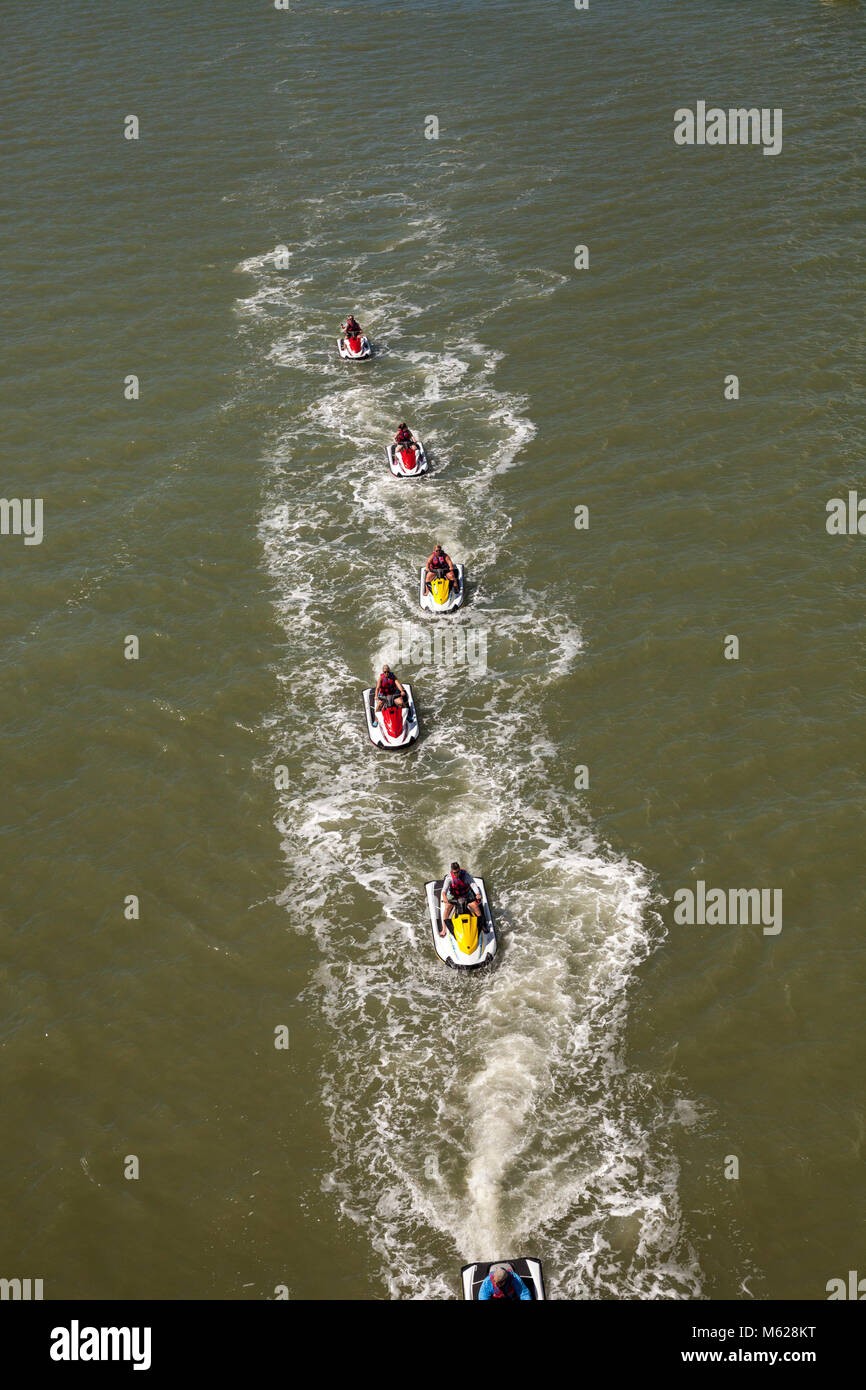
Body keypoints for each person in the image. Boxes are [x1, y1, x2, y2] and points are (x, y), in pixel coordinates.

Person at [440, 862, 481, 936]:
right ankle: (444, 929)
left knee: (475, 905)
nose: (456, 874)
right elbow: (444, 891)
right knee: (447, 908)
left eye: (458, 872)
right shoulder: (449, 878)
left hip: (465, 895)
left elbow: (473, 884)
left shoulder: (466, 876)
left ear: (460, 870)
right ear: (452, 871)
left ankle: (481, 924)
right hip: (453, 896)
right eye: (455, 873)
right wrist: (445, 898)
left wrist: (477, 894)